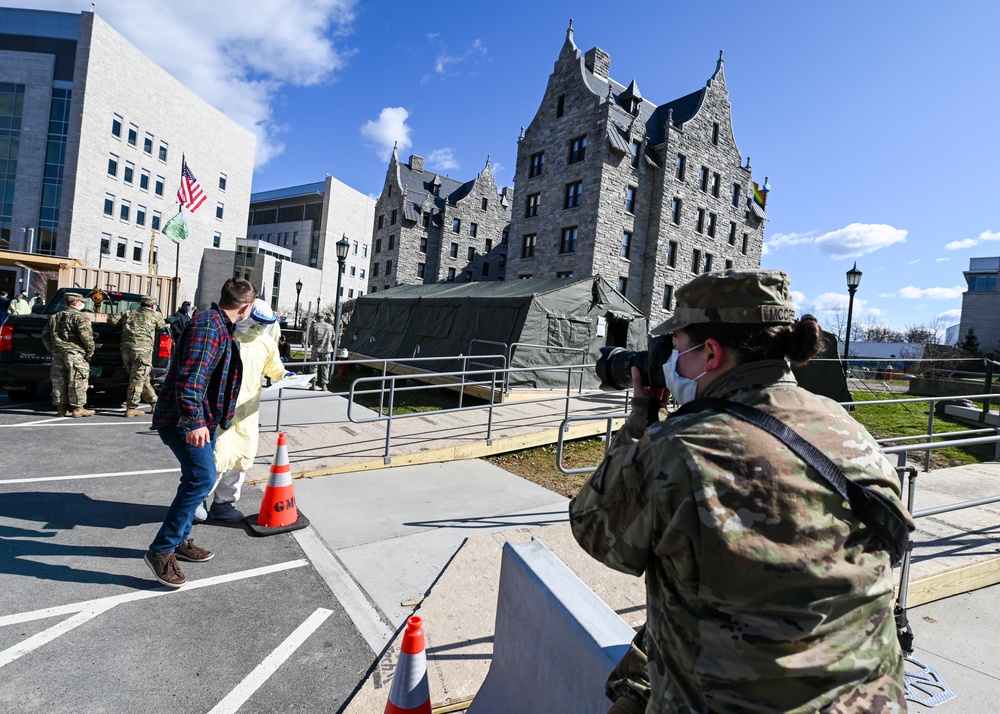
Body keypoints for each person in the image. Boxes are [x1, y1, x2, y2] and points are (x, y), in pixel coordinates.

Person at [569, 270, 913, 713]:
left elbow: (594, 528)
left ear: (710, 352)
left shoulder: (681, 447)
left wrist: (641, 417)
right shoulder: (849, 429)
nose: (671, 363)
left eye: (675, 350)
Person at [144, 277, 255, 589]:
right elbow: (191, 378)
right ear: (245, 307)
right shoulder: (209, 326)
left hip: (202, 420)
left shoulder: (218, 324)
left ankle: (179, 540)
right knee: (202, 479)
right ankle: (162, 551)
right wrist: (194, 422)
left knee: (196, 478)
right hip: (184, 420)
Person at [195, 298, 291, 523]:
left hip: (248, 413)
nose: (258, 329)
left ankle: (224, 503)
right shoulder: (225, 337)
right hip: (221, 410)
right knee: (217, 458)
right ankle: (197, 500)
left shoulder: (264, 343)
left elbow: (273, 367)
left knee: (241, 459)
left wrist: (284, 375)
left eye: (263, 325)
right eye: (256, 323)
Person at [109, 295, 165, 417]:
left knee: (141, 378)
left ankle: (155, 403)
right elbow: (161, 326)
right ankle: (131, 407)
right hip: (142, 352)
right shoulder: (155, 315)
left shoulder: (128, 313)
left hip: (126, 351)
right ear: (153, 306)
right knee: (137, 379)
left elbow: (112, 320)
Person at [41, 293, 96, 418]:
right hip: (74, 353)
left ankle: (61, 409)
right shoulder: (80, 317)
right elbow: (86, 336)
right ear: (76, 303)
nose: (83, 304)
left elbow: (45, 335)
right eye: (81, 301)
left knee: (59, 381)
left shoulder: (55, 317)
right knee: (77, 380)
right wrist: (90, 349)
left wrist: (51, 348)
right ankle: (78, 409)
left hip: (58, 353)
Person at [308, 313, 334, 390]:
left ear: (316, 318)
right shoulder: (330, 326)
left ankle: (313, 384)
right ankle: (324, 385)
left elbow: (310, 339)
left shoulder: (314, 326)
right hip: (327, 349)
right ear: (324, 318)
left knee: (314, 366)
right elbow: (333, 338)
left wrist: (314, 344)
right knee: (326, 367)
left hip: (316, 349)